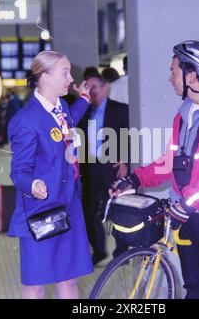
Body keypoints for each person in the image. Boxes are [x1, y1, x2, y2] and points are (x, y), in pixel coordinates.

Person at [110, 40, 199, 299]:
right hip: (185, 215)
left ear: (191, 76)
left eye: (174, 72)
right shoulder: (182, 116)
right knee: (194, 289)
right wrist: (134, 178)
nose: (170, 78)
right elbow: (169, 162)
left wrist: (188, 203)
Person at [7, 51, 93, 299]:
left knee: (68, 279)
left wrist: (84, 98)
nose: (70, 78)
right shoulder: (25, 120)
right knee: (36, 283)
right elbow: (19, 171)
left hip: (68, 203)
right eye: (64, 73)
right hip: (41, 210)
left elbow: (67, 122)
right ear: (44, 76)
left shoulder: (62, 106)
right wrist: (33, 183)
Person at [78, 72, 129, 265]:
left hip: (113, 167)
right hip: (91, 168)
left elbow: (130, 137)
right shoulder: (84, 112)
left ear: (105, 87)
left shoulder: (120, 110)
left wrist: (125, 161)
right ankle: (99, 250)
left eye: (94, 87)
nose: (91, 92)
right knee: (89, 211)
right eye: (87, 88)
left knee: (117, 211)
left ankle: (121, 251)